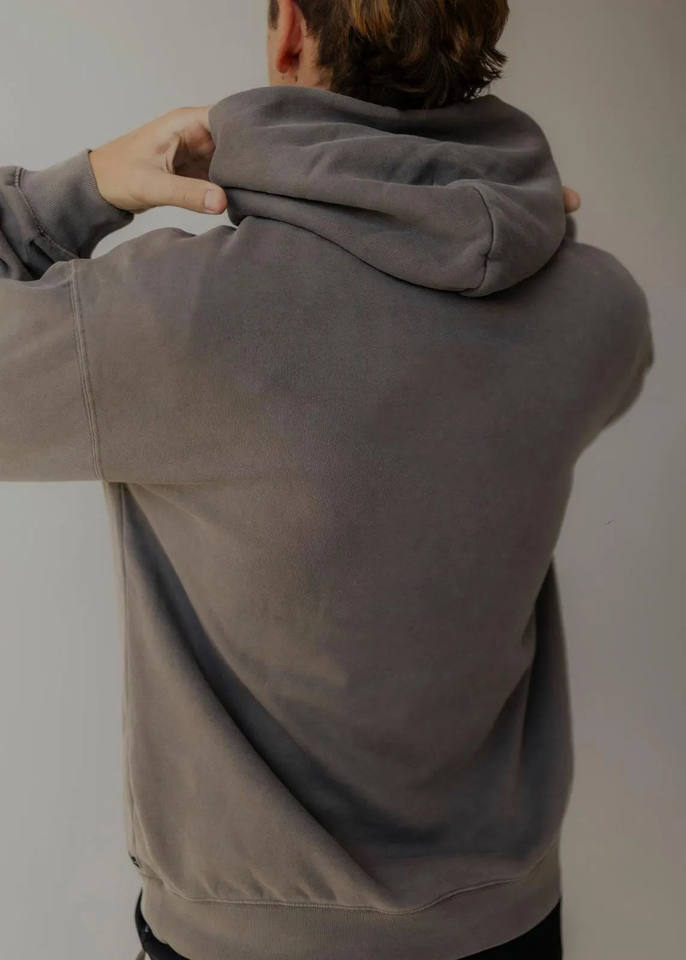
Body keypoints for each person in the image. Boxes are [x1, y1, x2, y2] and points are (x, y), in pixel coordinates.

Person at [0, 1, 653, 958]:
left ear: (292, 32)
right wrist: (511, 216)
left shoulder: (175, 321)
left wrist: (86, 187)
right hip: (510, 926)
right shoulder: (598, 311)